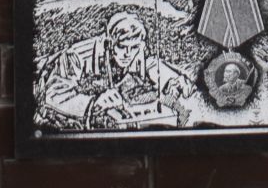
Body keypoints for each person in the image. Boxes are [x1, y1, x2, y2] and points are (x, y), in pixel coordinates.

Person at [39, 10, 195, 129]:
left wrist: (173, 79)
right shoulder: (76, 56)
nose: (128, 54)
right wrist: (92, 103)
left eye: (134, 48)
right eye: (122, 47)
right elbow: (53, 95)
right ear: (109, 43)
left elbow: (150, 63)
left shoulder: (134, 51)